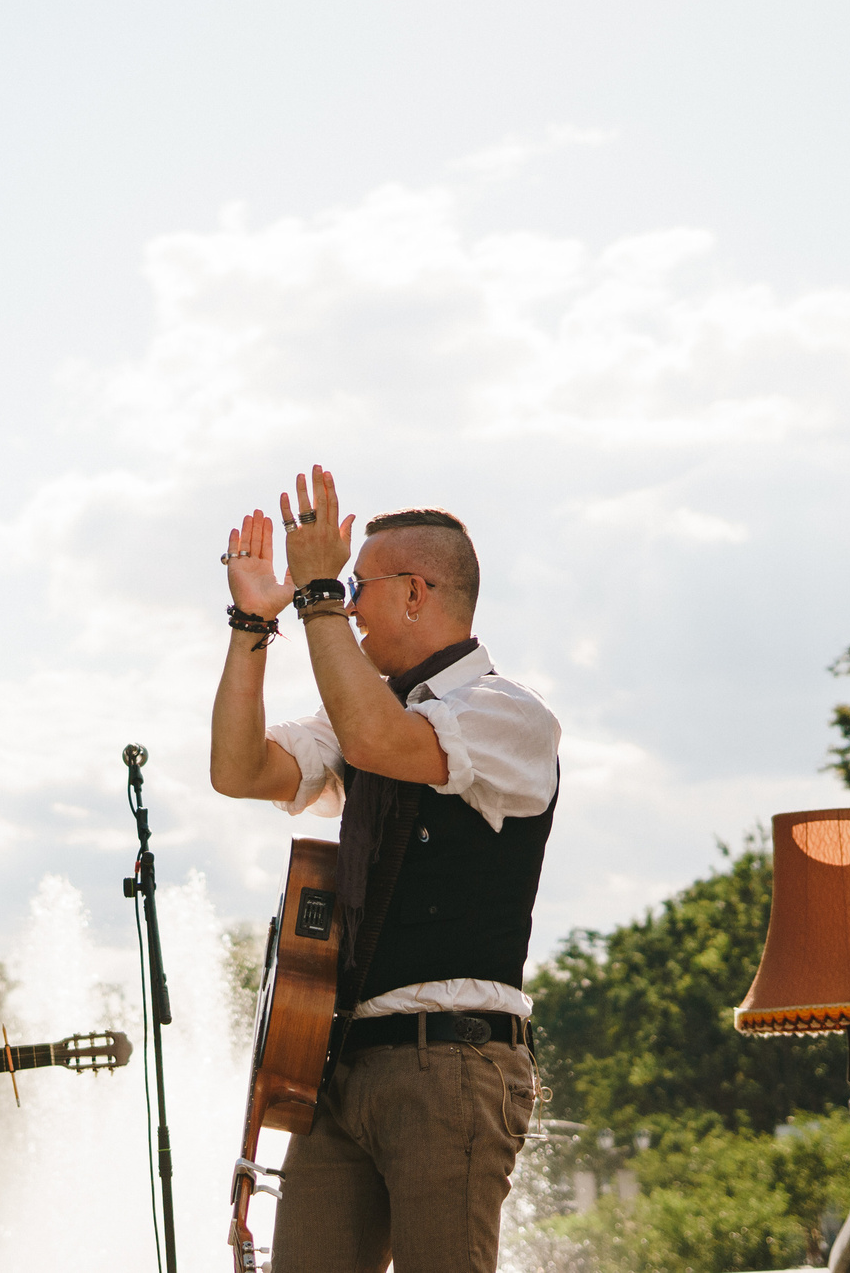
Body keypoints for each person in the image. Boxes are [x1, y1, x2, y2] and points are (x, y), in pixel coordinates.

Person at [209, 465, 560, 1273]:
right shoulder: (369, 714)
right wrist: (249, 624)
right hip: (341, 1069)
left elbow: (379, 745)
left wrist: (318, 592)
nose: (349, 605)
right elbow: (237, 768)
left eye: (361, 587)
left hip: (454, 1063)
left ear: (415, 591)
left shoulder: (509, 713)